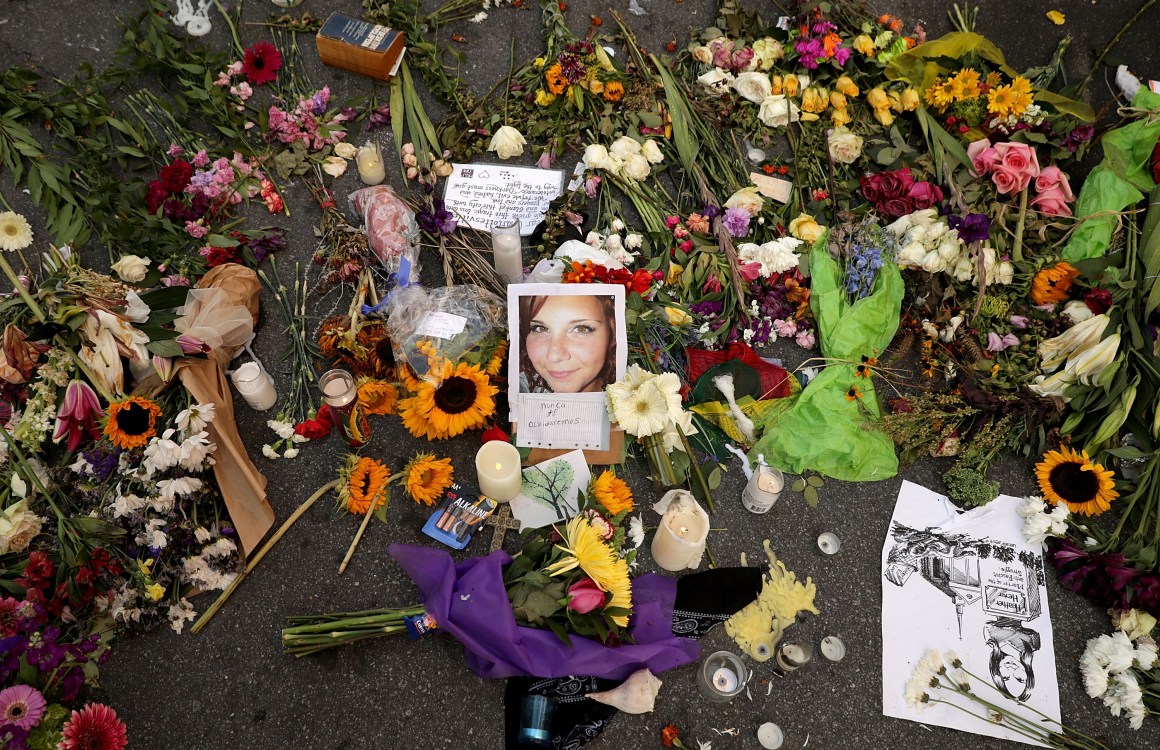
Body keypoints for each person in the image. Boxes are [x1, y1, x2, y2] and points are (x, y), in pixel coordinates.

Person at [518, 294, 616, 393]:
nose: (554, 356)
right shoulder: (516, 389)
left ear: (612, 331)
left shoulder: (630, 395)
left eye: (581, 329)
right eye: (540, 328)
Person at [984, 617, 1041, 702]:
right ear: (1028, 675)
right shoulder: (1033, 643)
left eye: (1005, 677)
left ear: (997, 674)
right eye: (1019, 679)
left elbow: (988, 623)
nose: (1011, 670)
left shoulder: (989, 637)